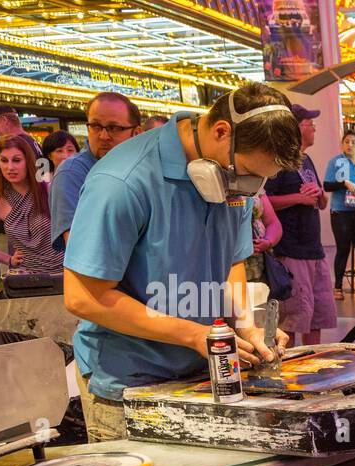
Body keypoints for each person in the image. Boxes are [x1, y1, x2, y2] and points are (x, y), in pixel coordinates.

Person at [62, 83, 300, 441]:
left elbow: (232, 260)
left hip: (202, 375)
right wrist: (193, 334)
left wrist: (246, 324)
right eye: (247, 172)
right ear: (222, 132)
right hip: (129, 384)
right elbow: (83, 297)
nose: (249, 186)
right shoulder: (123, 181)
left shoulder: (235, 182)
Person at [265, 103, 336, 347]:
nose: (314, 126)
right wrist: (299, 198)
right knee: (293, 319)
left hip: (315, 251)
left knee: (318, 316)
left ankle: (314, 364)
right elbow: (265, 202)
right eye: (309, 123)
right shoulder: (280, 163)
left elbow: (321, 203)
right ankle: (292, 371)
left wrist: (319, 195)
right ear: (295, 128)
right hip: (291, 251)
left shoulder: (306, 160)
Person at [49, 91, 141, 251]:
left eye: (114, 128)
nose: (104, 136)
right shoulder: (72, 173)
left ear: (137, 133)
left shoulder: (143, 168)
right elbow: (77, 247)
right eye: (96, 126)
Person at [0, 135, 63, 274]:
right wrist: (8, 259)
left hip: (64, 273)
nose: (10, 167)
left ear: (28, 161)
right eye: (4, 160)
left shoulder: (49, 190)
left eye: (17, 160)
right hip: (26, 280)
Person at [323, 130, 355, 300]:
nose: (349, 145)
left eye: (353, 142)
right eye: (346, 141)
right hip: (341, 213)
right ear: (342, 144)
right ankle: (338, 287)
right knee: (343, 249)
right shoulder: (336, 162)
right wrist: (345, 183)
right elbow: (327, 186)